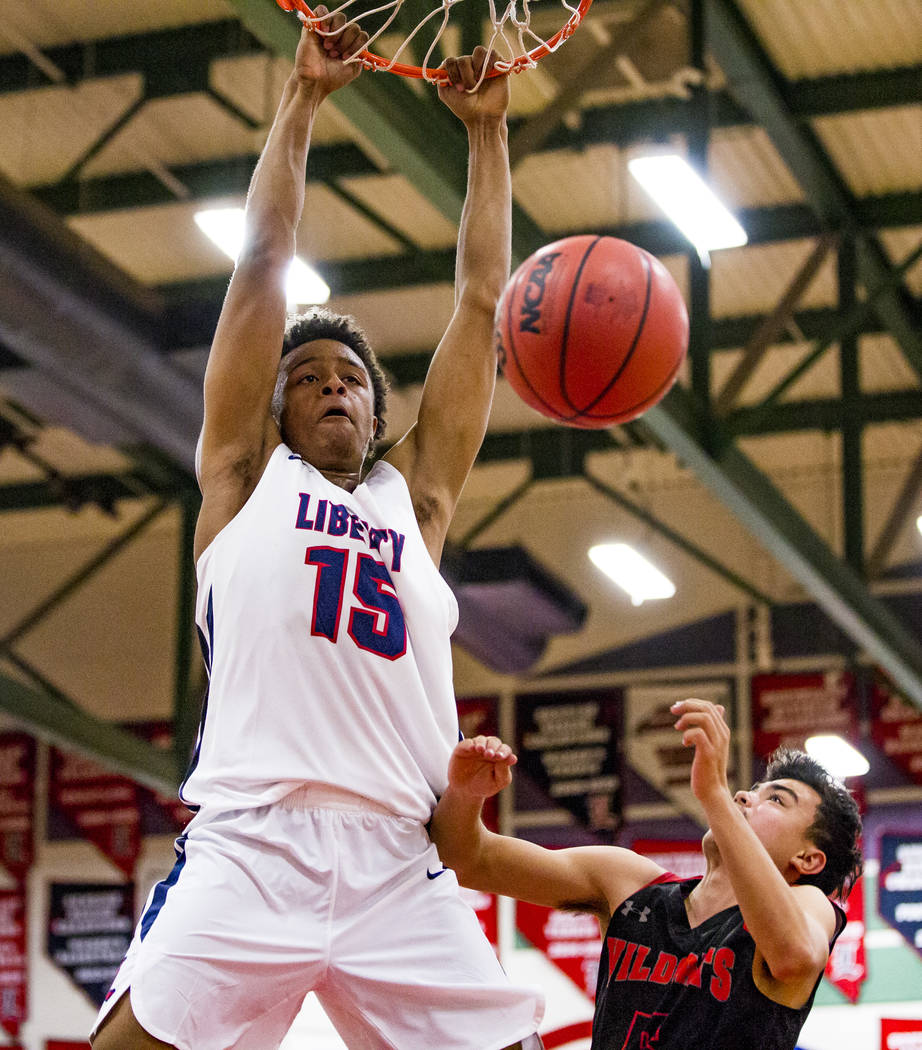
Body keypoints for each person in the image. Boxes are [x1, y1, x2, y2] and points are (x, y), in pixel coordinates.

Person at [91, 11, 544, 1050]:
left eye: (352, 380)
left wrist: (486, 135)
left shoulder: (413, 504)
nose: (334, 388)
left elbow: (480, 303)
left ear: (379, 417)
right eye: (308, 379)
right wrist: (300, 101)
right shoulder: (243, 481)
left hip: (400, 855)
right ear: (274, 412)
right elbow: (260, 268)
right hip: (254, 844)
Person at [430, 698, 863, 1050]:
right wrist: (467, 794)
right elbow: (466, 857)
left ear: (808, 860)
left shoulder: (811, 906)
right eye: (752, 789)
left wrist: (712, 795)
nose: (745, 796)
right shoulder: (632, 883)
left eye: (777, 800)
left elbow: (794, 955)